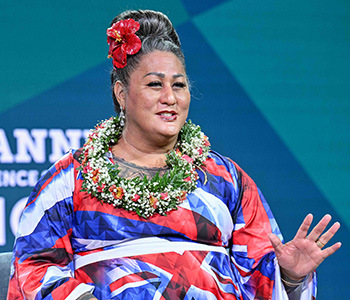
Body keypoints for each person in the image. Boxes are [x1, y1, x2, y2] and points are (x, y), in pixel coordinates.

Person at [7, 9, 341, 300]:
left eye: (179, 85)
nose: (170, 97)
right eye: (155, 85)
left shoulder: (226, 179)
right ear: (121, 93)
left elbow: (256, 278)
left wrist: (290, 276)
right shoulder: (72, 177)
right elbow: (32, 265)